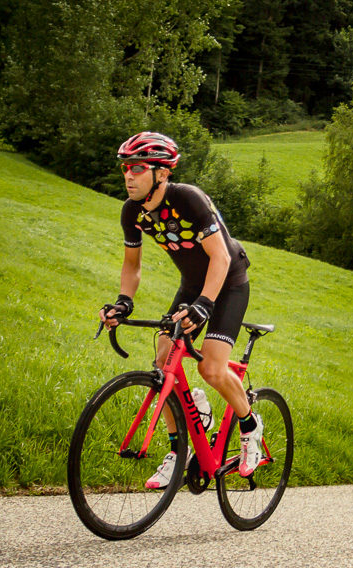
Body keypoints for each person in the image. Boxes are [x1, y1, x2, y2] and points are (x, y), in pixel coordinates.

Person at [99, 131, 264, 487]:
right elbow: (132, 266)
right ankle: (181, 448)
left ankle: (250, 426)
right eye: (126, 167)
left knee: (213, 368)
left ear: (162, 173)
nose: (128, 175)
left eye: (138, 168)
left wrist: (205, 305)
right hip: (192, 284)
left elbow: (219, 257)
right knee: (162, 361)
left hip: (229, 280)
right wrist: (124, 302)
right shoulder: (132, 212)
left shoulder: (188, 199)